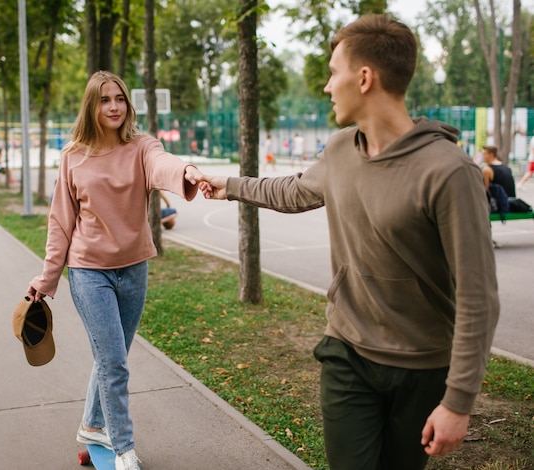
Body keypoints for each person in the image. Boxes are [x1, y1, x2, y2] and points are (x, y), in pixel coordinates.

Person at [198, 14, 499, 470]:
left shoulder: (449, 172)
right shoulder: (340, 149)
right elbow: (295, 190)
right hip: (348, 351)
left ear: (364, 78)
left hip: (422, 367)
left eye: (333, 72)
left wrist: (458, 402)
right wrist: (230, 185)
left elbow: (479, 297)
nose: (326, 85)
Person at [27, 70, 203, 470]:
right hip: (89, 272)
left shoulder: (142, 147)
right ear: (92, 105)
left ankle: (91, 425)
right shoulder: (74, 155)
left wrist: (186, 171)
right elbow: (61, 222)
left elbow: (161, 164)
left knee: (112, 359)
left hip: (134, 268)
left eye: (120, 98)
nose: (114, 107)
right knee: (114, 364)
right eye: (105, 99)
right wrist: (48, 277)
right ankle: (123, 448)